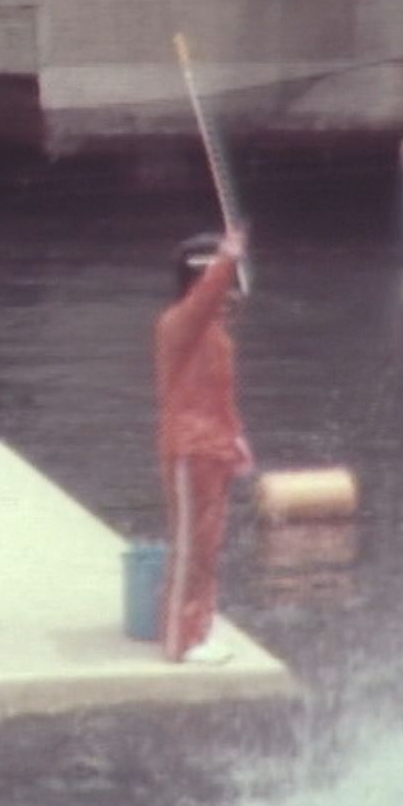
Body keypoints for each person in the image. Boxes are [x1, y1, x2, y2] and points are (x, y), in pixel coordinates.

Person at [155, 227, 255, 664]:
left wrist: (235, 436)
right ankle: (181, 640)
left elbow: (219, 395)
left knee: (207, 548)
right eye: (224, 285)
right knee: (191, 549)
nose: (230, 296)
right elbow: (205, 301)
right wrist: (228, 257)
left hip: (211, 447)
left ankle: (197, 629)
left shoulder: (216, 336)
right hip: (189, 448)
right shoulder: (179, 324)